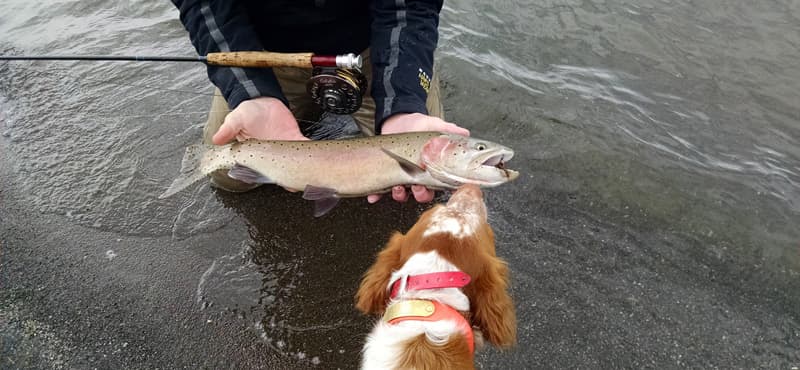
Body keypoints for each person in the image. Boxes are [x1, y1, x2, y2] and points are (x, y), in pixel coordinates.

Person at [171, 0, 470, 203]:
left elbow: (410, 6)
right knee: (226, 175)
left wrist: (403, 102)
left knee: (434, 183)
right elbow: (203, 5)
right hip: (264, 54)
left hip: (379, 53)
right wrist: (251, 92)